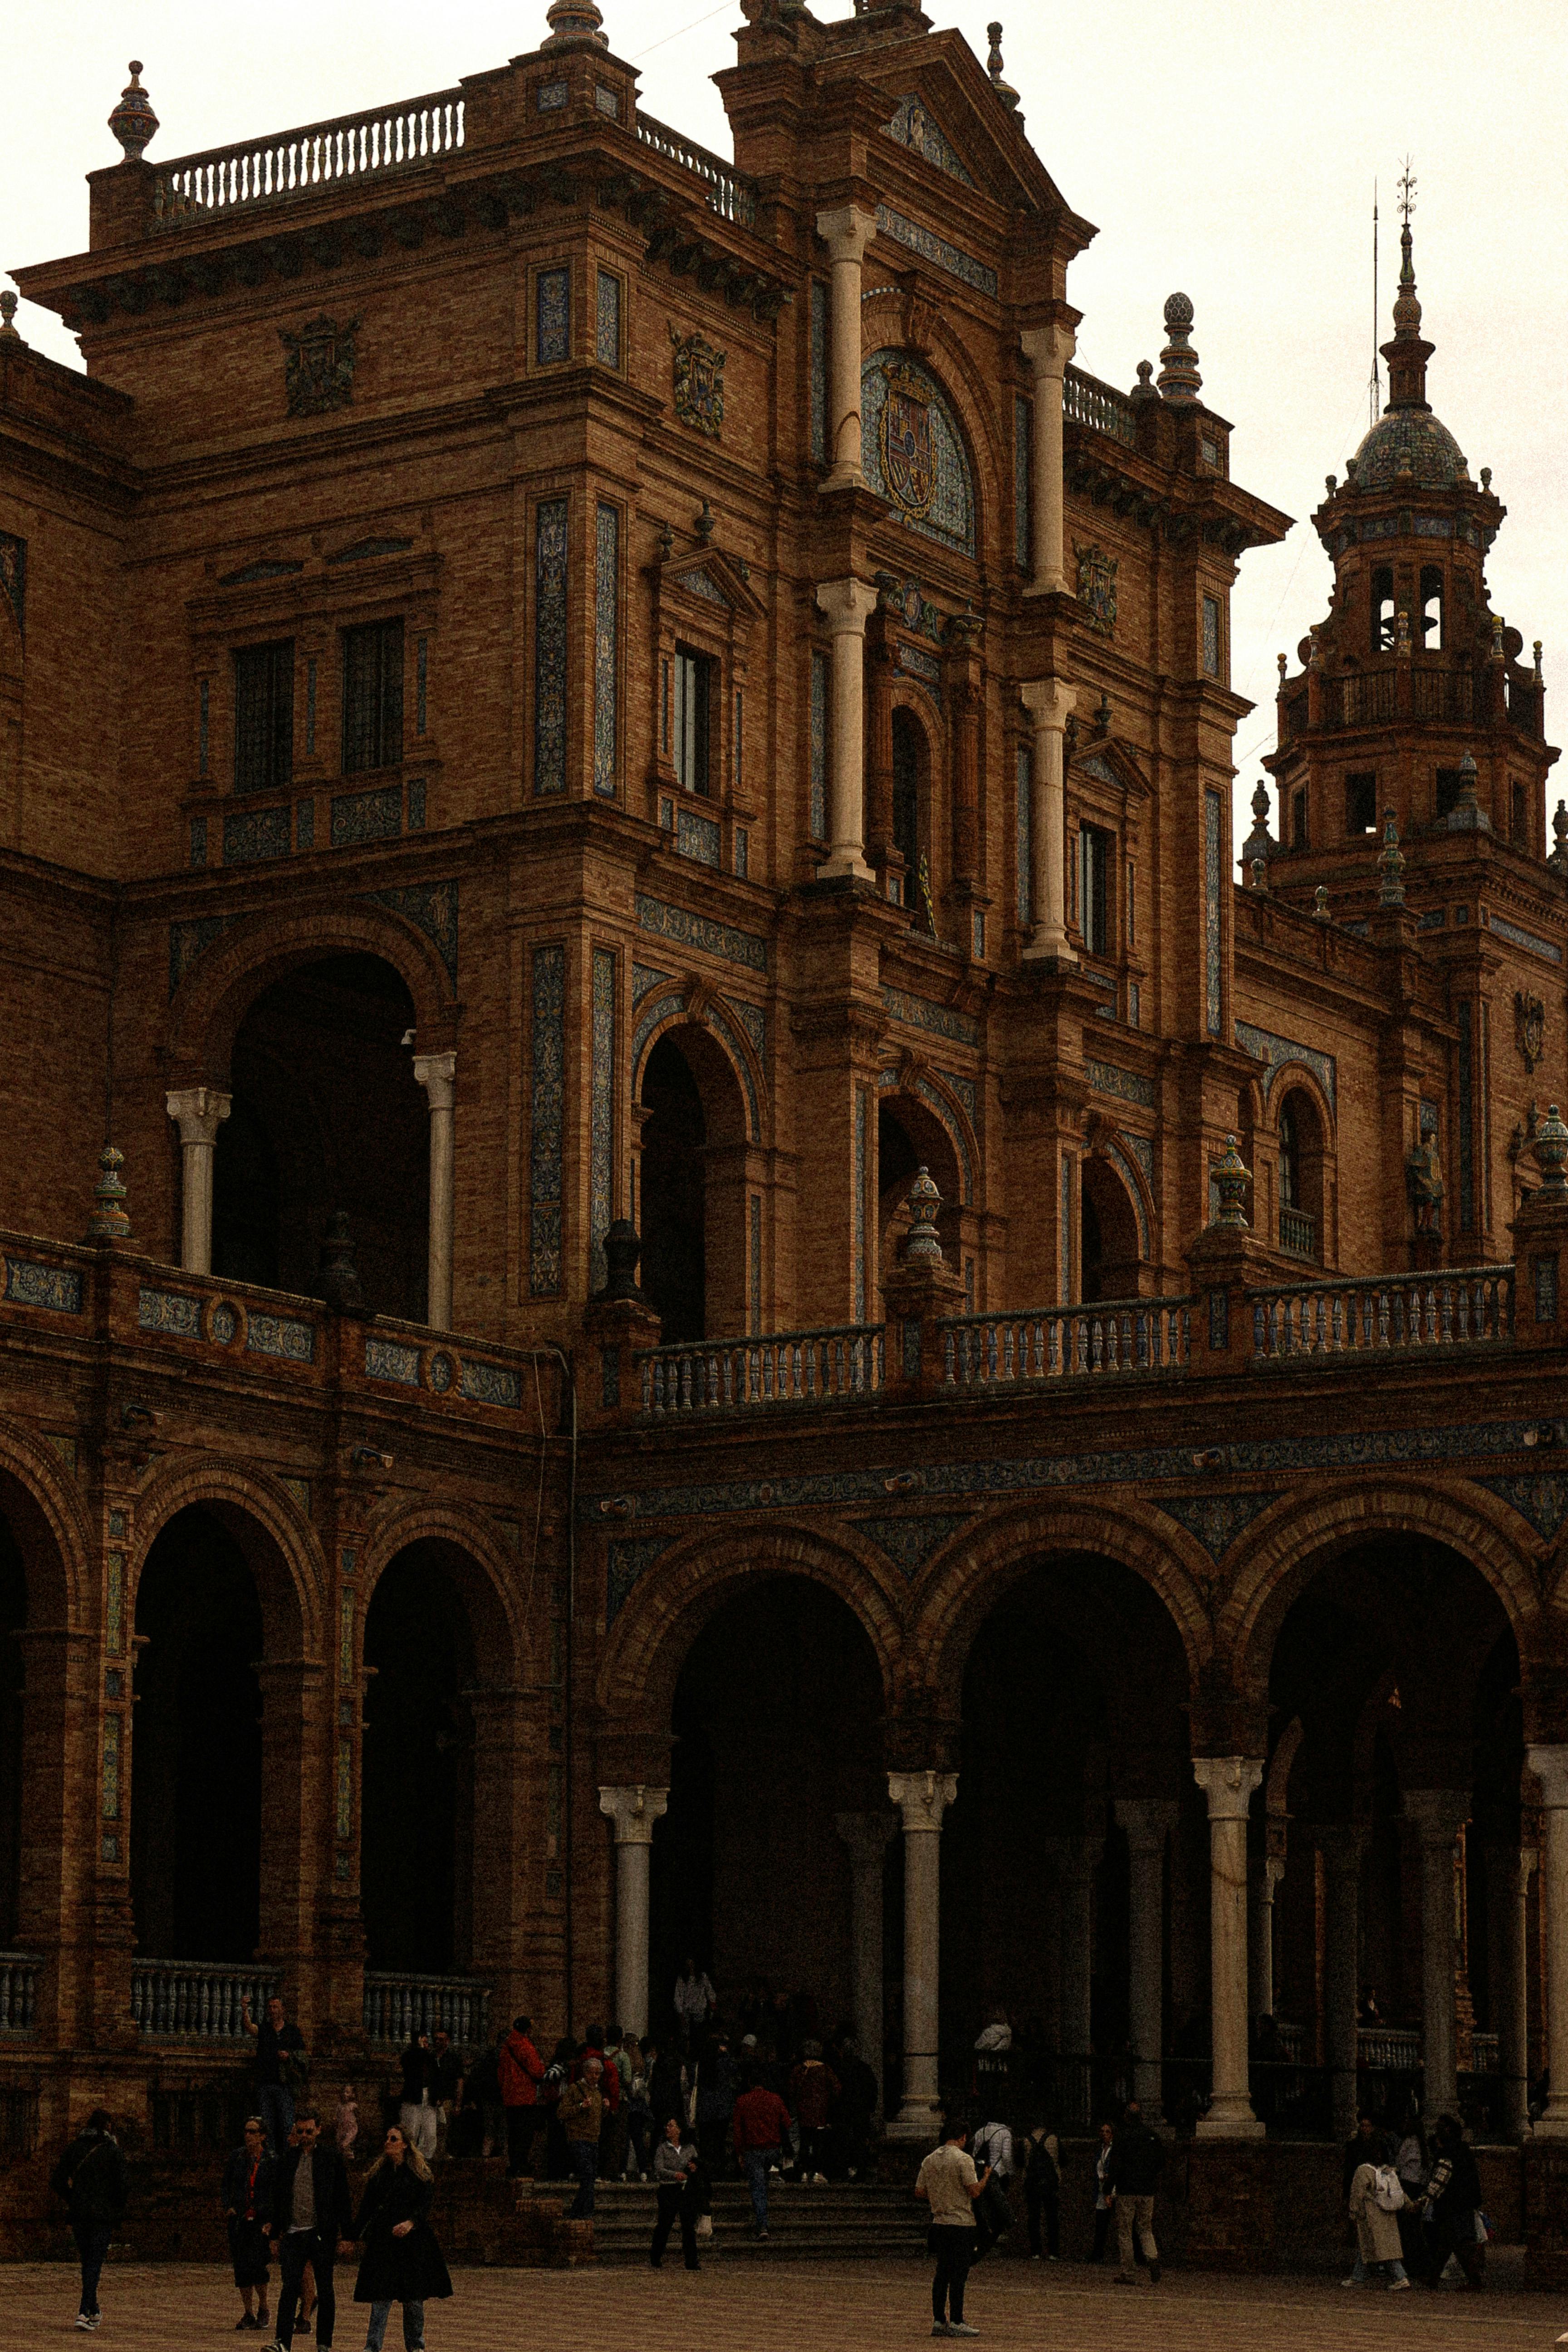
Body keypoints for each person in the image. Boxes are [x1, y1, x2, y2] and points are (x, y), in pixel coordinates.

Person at [349, 2124, 452, 2352]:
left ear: (405, 2144)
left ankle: (416, 2345)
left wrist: (411, 2223)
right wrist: (352, 2236)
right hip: (384, 2241)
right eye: (387, 2138)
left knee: (413, 2300)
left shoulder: (418, 2173)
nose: (388, 2142)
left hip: (412, 2242)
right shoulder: (380, 2175)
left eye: (394, 2139)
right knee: (381, 2297)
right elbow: (366, 2208)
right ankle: (372, 2346)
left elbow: (424, 2205)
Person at [267, 2106, 354, 2352]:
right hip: (294, 2233)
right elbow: (279, 2198)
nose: (305, 2135)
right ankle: (282, 2342)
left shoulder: (330, 2158)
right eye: (300, 2131)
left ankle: (324, 2343)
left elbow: (342, 2199)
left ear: (318, 2130)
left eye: (309, 2130)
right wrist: (275, 2235)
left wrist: (347, 2236)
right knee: (289, 2289)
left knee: (325, 2290)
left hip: (320, 2233)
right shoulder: (288, 2159)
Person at [50, 2107, 127, 2333]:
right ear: (108, 2127)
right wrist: (114, 2208)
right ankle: (84, 2311)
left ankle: (93, 2309)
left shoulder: (75, 2148)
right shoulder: (113, 2151)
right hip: (102, 2216)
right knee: (94, 2262)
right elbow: (123, 2187)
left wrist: (73, 2197)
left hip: (79, 2214)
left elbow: (57, 2181)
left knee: (88, 2262)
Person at [915, 2117, 989, 2340]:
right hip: (961, 2223)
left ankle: (939, 2319)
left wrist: (938, 2195)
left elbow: (919, 2192)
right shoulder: (963, 2160)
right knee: (959, 2275)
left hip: (939, 2222)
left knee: (941, 2273)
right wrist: (986, 2177)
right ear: (963, 2137)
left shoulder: (930, 2160)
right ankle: (957, 2319)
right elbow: (974, 2191)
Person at [223, 2115, 277, 2332]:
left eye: (253, 2132)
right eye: (246, 2131)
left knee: (258, 2265)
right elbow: (226, 2185)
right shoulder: (236, 2158)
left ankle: (264, 2306)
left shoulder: (271, 2160)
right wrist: (229, 2206)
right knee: (242, 2267)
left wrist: (272, 2220)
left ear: (263, 2136)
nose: (248, 2136)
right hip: (240, 2220)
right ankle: (248, 2311)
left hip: (261, 2221)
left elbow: (277, 2192)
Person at [1421, 2113, 1486, 2289]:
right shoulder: (1463, 2150)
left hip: (1453, 2205)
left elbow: (1440, 2181)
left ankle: (1473, 2281)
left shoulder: (1449, 2153)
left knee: (1458, 2244)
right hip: (1464, 2203)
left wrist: (1425, 2199)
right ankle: (1435, 2279)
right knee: (1449, 2243)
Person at [1104, 2097, 1163, 2286]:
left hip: (1127, 2189)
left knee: (1125, 2231)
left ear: (1126, 2116)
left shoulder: (1122, 2137)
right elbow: (1160, 2162)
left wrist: (1108, 2190)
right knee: (1146, 2228)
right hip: (1147, 2189)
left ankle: (1128, 2271)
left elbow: (1115, 2166)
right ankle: (1152, 2257)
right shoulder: (1151, 2136)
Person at [1344, 2129, 1411, 2289]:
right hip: (1388, 2214)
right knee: (1373, 2246)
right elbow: (1400, 2191)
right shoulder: (1388, 2170)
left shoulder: (1363, 2170)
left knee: (1379, 2248)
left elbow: (1357, 2193)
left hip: (1371, 2214)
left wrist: (1354, 2213)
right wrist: (1410, 2205)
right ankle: (1358, 2276)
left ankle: (1400, 2277)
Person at [244, 1994, 308, 2160]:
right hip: (265, 2082)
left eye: (276, 2007)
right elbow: (251, 2028)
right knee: (267, 2124)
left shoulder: (292, 2031)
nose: (272, 2010)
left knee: (287, 2123)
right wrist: (245, 2010)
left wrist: (289, 2056)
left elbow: (303, 2056)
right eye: (270, 2007)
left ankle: (289, 2155)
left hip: (284, 2084)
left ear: (283, 2009)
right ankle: (271, 2155)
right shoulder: (265, 2029)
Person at [732, 2069, 791, 2239]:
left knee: (758, 2188)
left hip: (753, 2150)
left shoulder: (743, 2101)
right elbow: (786, 2122)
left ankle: (762, 2225)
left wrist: (739, 2152)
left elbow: (738, 2131)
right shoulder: (775, 2099)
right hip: (773, 2149)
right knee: (763, 2183)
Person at [649, 2115, 701, 2271]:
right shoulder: (663, 2148)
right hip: (668, 2189)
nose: (668, 2129)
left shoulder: (689, 2148)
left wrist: (694, 2169)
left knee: (688, 2227)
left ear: (679, 2130)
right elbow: (659, 2168)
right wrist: (674, 2175)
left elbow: (697, 2164)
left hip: (685, 2190)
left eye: (672, 2126)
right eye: (668, 2126)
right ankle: (656, 2256)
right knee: (665, 2224)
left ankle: (692, 2261)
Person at [558, 2053, 605, 2218]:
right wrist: (580, 2106)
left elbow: (597, 2115)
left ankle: (579, 2210)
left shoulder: (598, 2092)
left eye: (598, 2073)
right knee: (587, 2174)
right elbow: (562, 2113)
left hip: (593, 2138)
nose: (595, 2077)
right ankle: (585, 2211)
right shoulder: (575, 2089)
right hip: (578, 2137)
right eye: (592, 2073)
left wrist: (605, 2108)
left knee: (590, 2177)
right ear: (585, 2073)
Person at [497, 2016, 545, 2178]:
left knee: (513, 2132)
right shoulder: (526, 2046)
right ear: (528, 2029)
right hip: (525, 2096)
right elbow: (537, 2072)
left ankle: (513, 2164)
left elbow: (501, 2073)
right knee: (525, 2134)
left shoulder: (507, 2046)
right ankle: (522, 2163)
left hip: (510, 2097)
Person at [789, 2039, 839, 2184]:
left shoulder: (799, 2069)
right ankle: (817, 2172)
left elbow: (791, 2089)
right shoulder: (825, 2070)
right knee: (818, 2144)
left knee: (804, 2142)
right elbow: (837, 2089)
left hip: (803, 2113)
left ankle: (804, 2172)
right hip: (820, 2113)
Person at [833, 2034, 878, 2179]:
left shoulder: (838, 2069)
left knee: (843, 2140)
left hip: (844, 2111)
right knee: (859, 2140)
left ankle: (843, 2170)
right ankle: (860, 2169)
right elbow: (873, 2090)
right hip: (860, 2110)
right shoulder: (864, 2069)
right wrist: (870, 2107)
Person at [694, 2030, 737, 2176]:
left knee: (706, 2142)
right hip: (721, 2108)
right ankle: (719, 2170)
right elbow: (734, 2069)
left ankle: (706, 2169)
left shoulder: (703, 2061)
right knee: (719, 2142)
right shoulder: (723, 2061)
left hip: (706, 2108)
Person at [970, 2116, 1015, 2255]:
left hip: (982, 2170)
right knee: (997, 2198)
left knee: (982, 2202)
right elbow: (1006, 2156)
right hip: (998, 2171)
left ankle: (985, 2226)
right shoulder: (1005, 2133)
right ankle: (1008, 2219)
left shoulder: (981, 2131)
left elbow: (975, 2152)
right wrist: (1011, 2171)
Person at [397, 2036, 439, 2164]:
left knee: (430, 2133)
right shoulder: (409, 2057)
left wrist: (438, 2096)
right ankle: (409, 2160)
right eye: (424, 2042)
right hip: (414, 2097)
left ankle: (426, 2159)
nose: (426, 2045)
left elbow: (436, 2077)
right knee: (411, 2131)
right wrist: (419, 2049)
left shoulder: (431, 2058)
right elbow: (411, 2067)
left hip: (429, 2097)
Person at [1022, 2122, 1060, 2261]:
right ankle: (1053, 2251)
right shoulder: (1053, 2139)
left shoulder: (1027, 2140)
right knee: (1052, 2218)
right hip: (1050, 2184)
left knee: (1034, 2218)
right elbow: (1062, 2160)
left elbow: (1024, 2163)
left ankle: (1035, 2251)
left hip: (1032, 2184)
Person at [623, 2037, 655, 2181]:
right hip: (641, 2107)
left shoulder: (626, 2060)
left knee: (624, 2140)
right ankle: (643, 2170)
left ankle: (622, 2170)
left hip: (627, 2106)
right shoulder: (644, 2062)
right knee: (638, 2141)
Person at [430, 2031, 464, 2161]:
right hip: (432, 2099)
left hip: (446, 2098)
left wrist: (458, 2103)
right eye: (436, 2039)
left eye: (441, 2040)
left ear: (447, 2041)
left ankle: (440, 2153)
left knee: (443, 2128)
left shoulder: (453, 2058)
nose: (438, 2042)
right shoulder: (431, 2057)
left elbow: (459, 2081)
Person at [674, 1959, 715, 2051]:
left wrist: (712, 2005)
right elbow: (678, 1996)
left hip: (700, 2011)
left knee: (699, 2036)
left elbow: (710, 1991)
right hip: (686, 2011)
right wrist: (680, 2012)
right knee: (685, 2036)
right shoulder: (682, 1979)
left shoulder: (702, 1977)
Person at [1088, 2121, 1115, 2261]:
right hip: (1101, 2188)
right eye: (1103, 2132)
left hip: (1113, 2189)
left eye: (1108, 2132)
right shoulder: (1100, 2150)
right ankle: (1098, 2254)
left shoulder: (1114, 2150)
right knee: (1100, 2223)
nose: (1105, 2135)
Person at [334, 2089, 360, 2166]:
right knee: (339, 2144)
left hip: (351, 2128)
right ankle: (342, 2161)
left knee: (345, 2144)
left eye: (348, 2093)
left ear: (352, 2095)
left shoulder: (353, 2106)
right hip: (342, 2128)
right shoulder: (340, 2106)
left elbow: (358, 2116)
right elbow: (337, 2115)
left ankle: (351, 2159)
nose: (345, 2094)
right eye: (344, 2092)